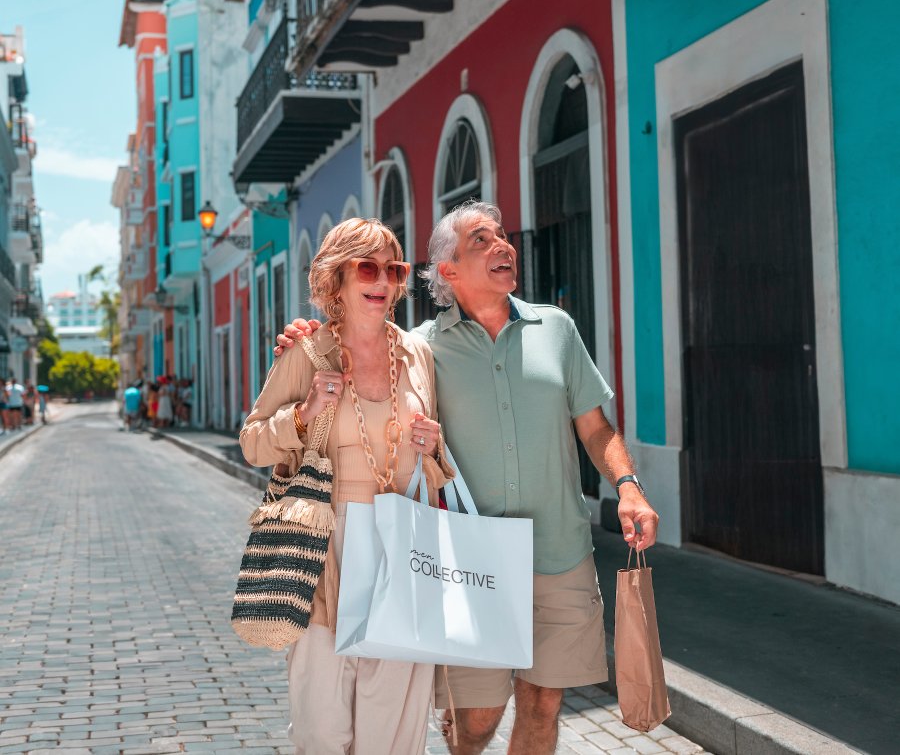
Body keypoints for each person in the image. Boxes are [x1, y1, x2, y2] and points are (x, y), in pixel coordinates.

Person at [275, 201, 659, 755]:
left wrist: (628, 487)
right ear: (448, 271)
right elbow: (354, 345)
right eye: (482, 240)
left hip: (559, 552)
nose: (504, 245)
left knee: (544, 704)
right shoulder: (419, 349)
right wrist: (302, 342)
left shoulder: (556, 328)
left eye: (503, 237)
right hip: (467, 565)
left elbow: (596, 427)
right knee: (477, 720)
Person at [241, 218, 454, 755]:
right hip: (323, 560)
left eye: (394, 268)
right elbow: (252, 443)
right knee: (322, 733)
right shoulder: (306, 354)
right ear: (336, 277)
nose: (382, 279)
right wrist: (305, 413)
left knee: (396, 736)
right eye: (367, 266)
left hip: (402, 557)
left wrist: (435, 447)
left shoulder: (417, 355)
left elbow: (436, 466)